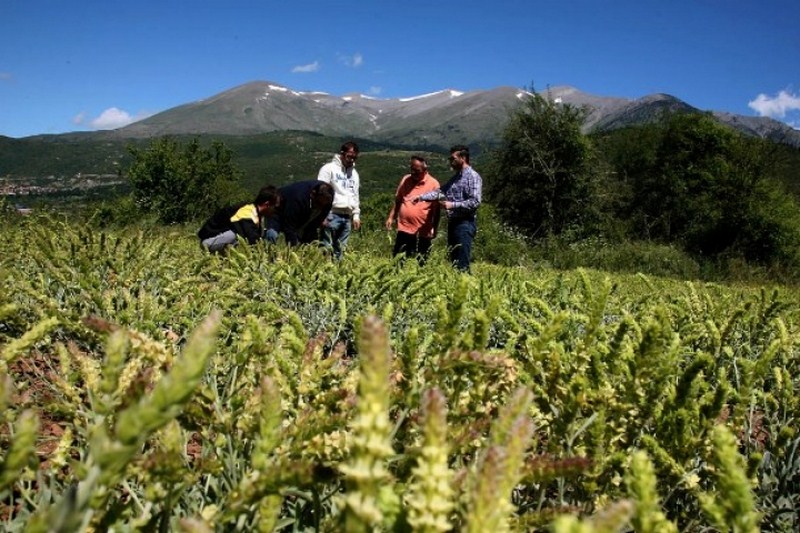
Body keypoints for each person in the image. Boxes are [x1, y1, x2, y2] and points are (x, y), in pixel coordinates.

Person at [412, 145, 482, 272]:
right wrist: (421, 197)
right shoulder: (455, 178)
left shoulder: (473, 177)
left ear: (463, 158)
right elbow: (440, 192)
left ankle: (465, 283)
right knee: (454, 261)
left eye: (453, 158)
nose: (450, 161)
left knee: (462, 262)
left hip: (465, 223)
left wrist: (452, 205)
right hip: (453, 223)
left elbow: (475, 202)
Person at [385, 155, 440, 264]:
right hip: (404, 228)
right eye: (412, 169)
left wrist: (435, 228)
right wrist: (391, 217)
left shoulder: (434, 184)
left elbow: (436, 210)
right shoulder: (406, 179)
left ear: (425, 170)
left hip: (423, 231)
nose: (413, 173)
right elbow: (398, 200)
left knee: (421, 261)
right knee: (398, 260)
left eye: (417, 171)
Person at [198, 186, 281, 253]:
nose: (276, 211)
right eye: (275, 207)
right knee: (237, 237)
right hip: (208, 242)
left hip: (218, 239)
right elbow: (254, 241)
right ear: (267, 204)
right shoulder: (247, 213)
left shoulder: (256, 213)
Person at [317, 141, 361, 260]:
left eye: (354, 157)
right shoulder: (328, 169)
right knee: (326, 248)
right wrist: (322, 214)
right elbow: (320, 192)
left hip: (346, 216)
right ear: (342, 154)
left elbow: (355, 195)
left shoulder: (354, 174)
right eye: (349, 156)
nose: (351, 159)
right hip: (331, 214)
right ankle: (324, 269)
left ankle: (337, 270)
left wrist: (356, 215)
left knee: (341, 250)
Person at [264, 180, 334, 246]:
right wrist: (294, 247)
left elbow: (314, 225)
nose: (319, 207)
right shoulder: (298, 198)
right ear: (312, 194)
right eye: (318, 203)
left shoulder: (328, 197)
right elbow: (289, 227)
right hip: (276, 210)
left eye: (323, 205)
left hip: (301, 213)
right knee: (272, 234)